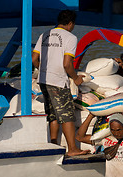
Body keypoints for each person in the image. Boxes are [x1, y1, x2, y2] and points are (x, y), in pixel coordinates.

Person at [32, 10, 89, 157]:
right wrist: (76, 78)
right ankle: (72, 149)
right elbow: (67, 64)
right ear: (70, 23)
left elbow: (34, 59)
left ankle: (54, 145)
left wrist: (44, 70)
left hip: (44, 80)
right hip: (58, 81)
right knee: (67, 115)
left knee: (53, 115)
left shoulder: (44, 35)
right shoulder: (70, 37)